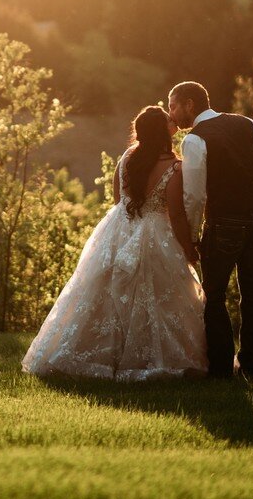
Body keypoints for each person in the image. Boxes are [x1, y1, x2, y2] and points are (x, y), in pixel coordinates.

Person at [22, 105, 208, 380]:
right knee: (155, 295)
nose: (173, 122)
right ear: (163, 132)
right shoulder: (174, 168)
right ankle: (146, 359)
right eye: (168, 121)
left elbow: (118, 201)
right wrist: (188, 248)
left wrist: (128, 227)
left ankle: (100, 355)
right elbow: (178, 214)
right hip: (155, 231)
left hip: (120, 227)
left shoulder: (127, 159)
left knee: (104, 294)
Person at [168, 81, 253, 382]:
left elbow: (195, 196)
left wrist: (190, 236)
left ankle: (222, 369)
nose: (171, 114)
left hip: (223, 224)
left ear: (190, 104)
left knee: (214, 296)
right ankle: (252, 368)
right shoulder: (246, 123)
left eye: (173, 106)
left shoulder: (194, 140)